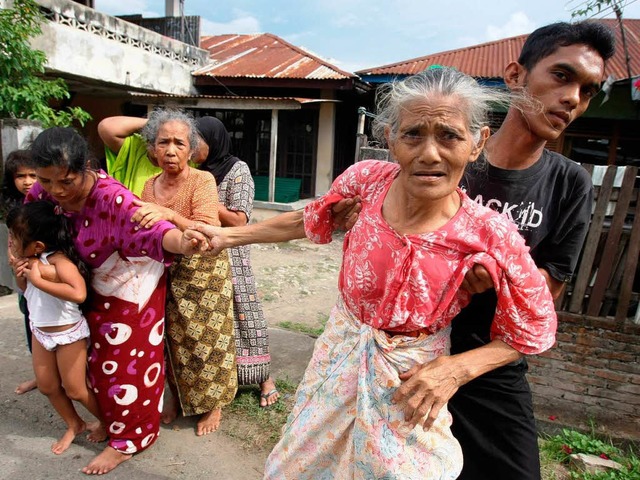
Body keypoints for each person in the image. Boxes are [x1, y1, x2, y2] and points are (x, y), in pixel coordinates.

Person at [194, 67, 558, 479]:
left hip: (408, 380)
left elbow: (532, 331)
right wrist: (227, 237)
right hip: (338, 353)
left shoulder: (488, 233)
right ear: (390, 139)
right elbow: (310, 220)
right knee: (302, 464)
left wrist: (455, 370)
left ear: (477, 143)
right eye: (413, 134)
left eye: (449, 135)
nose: (430, 153)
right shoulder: (367, 181)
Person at [391, 22, 615, 480]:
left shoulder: (569, 183)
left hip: (491, 362)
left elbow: (546, 295)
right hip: (408, 355)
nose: (573, 97)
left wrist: (462, 363)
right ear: (515, 75)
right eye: (561, 76)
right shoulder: (449, 158)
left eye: (588, 90)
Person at [24, 127, 207, 475]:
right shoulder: (42, 191)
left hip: (131, 285)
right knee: (94, 361)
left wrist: (184, 242)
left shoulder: (113, 197)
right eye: (47, 182)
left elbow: (156, 231)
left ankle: (131, 439)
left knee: (126, 365)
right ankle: (110, 421)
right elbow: (26, 223)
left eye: (66, 181)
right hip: (85, 279)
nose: (56, 191)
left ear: (86, 167)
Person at [129, 109, 238, 436]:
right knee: (170, 341)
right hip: (165, 272)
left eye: (179, 143)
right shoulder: (149, 185)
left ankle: (212, 404)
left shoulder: (203, 180)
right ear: (153, 148)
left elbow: (208, 229)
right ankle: (176, 397)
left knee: (208, 342)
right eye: (164, 142)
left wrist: (167, 214)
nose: (171, 150)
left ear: (191, 150)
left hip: (205, 277)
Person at [6, 201, 106, 455]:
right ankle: (75, 423)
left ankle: (108, 423)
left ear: (38, 244)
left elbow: (78, 292)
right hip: (40, 330)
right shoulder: (31, 259)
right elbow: (26, 290)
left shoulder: (59, 260)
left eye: (14, 240)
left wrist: (38, 279)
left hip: (67, 332)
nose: (11, 245)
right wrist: (20, 274)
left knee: (75, 389)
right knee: (48, 386)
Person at [195, 116, 279, 407]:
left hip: (231, 252)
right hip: (200, 255)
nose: (192, 148)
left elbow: (240, 219)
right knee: (213, 319)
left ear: (214, 141)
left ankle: (264, 377)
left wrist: (206, 200)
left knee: (245, 313)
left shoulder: (237, 169)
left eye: (197, 141)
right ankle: (221, 378)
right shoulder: (193, 171)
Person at [2, 149, 38, 394]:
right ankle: (41, 375)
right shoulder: (13, 206)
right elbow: (11, 241)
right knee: (30, 324)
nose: (27, 182)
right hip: (23, 278)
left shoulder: (48, 203)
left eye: (33, 175)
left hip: (45, 275)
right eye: (21, 176)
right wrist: (14, 262)